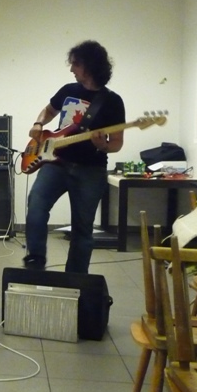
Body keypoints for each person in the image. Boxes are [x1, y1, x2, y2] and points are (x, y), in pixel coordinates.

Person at [24, 40, 125, 274]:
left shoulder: (112, 101)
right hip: (56, 163)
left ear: (90, 66)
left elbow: (117, 143)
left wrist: (102, 145)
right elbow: (49, 110)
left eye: (75, 64)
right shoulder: (68, 90)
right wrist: (39, 123)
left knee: (82, 228)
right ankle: (35, 260)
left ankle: (75, 279)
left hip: (91, 170)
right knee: (36, 206)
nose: (71, 69)